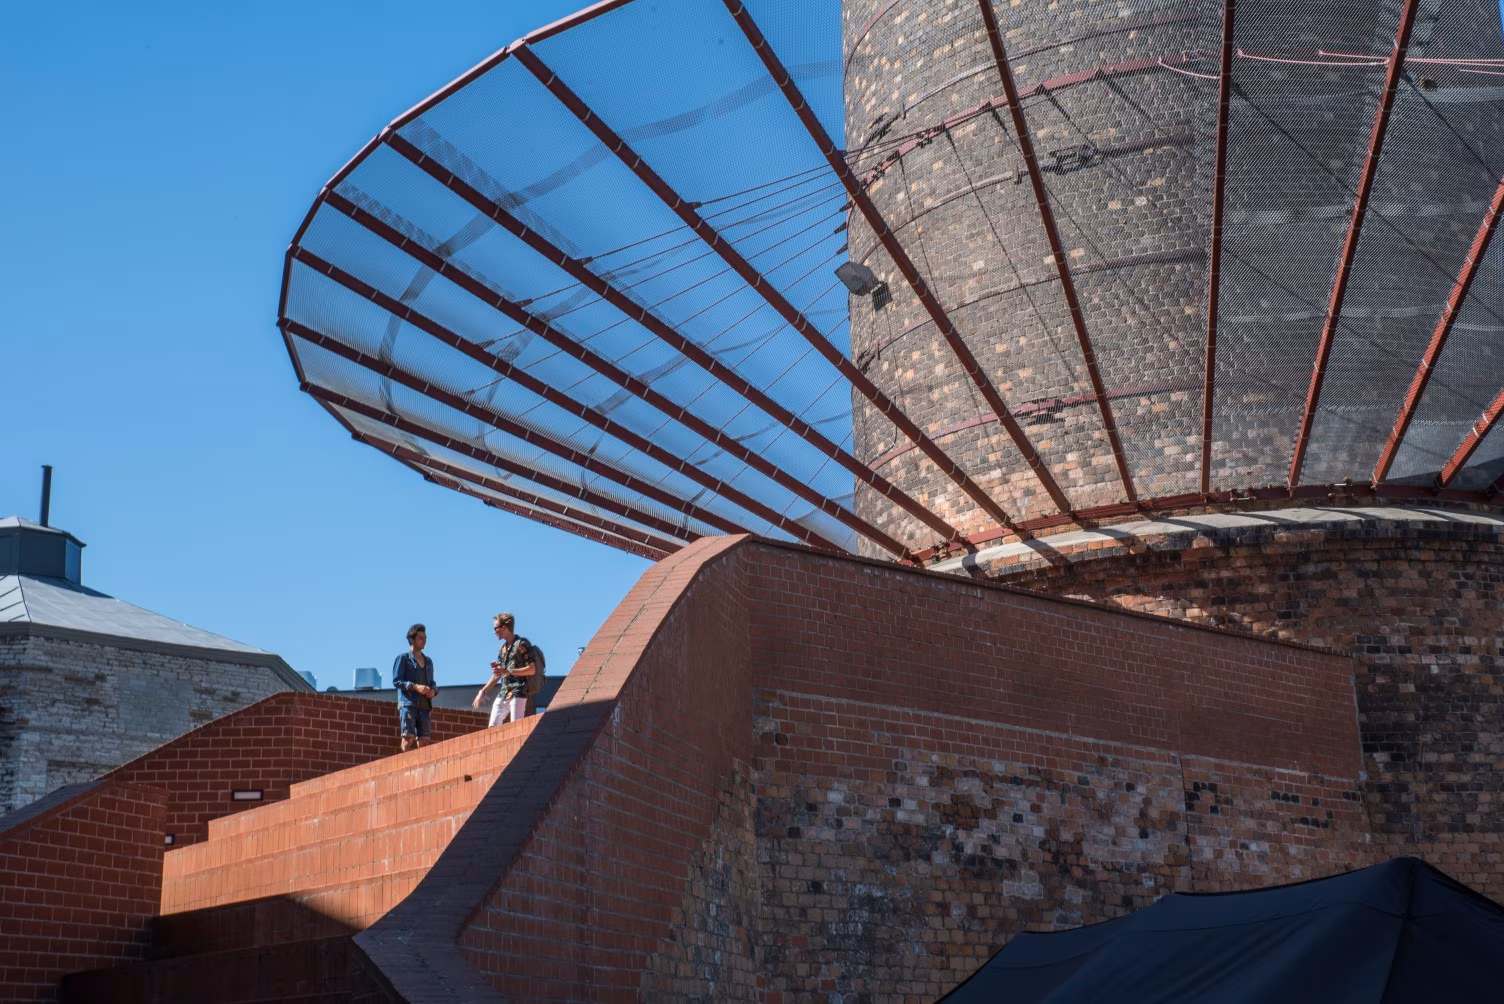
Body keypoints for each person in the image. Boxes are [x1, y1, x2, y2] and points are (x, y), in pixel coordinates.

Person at [472, 612, 536, 726]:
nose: (494, 631)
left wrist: (508, 671)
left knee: (516, 727)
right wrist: (483, 691)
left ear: (504, 627)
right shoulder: (502, 649)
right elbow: (497, 675)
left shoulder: (522, 644)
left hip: (518, 692)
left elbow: (532, 669)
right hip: (503, 693)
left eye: (496, 628)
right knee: (492, 727)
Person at [392, 623, 437, 752]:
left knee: (424, 741)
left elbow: (432, 682)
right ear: (411, 639)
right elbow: (397, 681)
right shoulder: (403, 659)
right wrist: (415, 687)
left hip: (425, 706)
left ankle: (421, 764)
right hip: (408, 705)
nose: (424, 640)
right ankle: (403, 763)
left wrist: (433, 691)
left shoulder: (428, 661)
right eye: (420, 638)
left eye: (425, 638)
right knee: (408, 738)